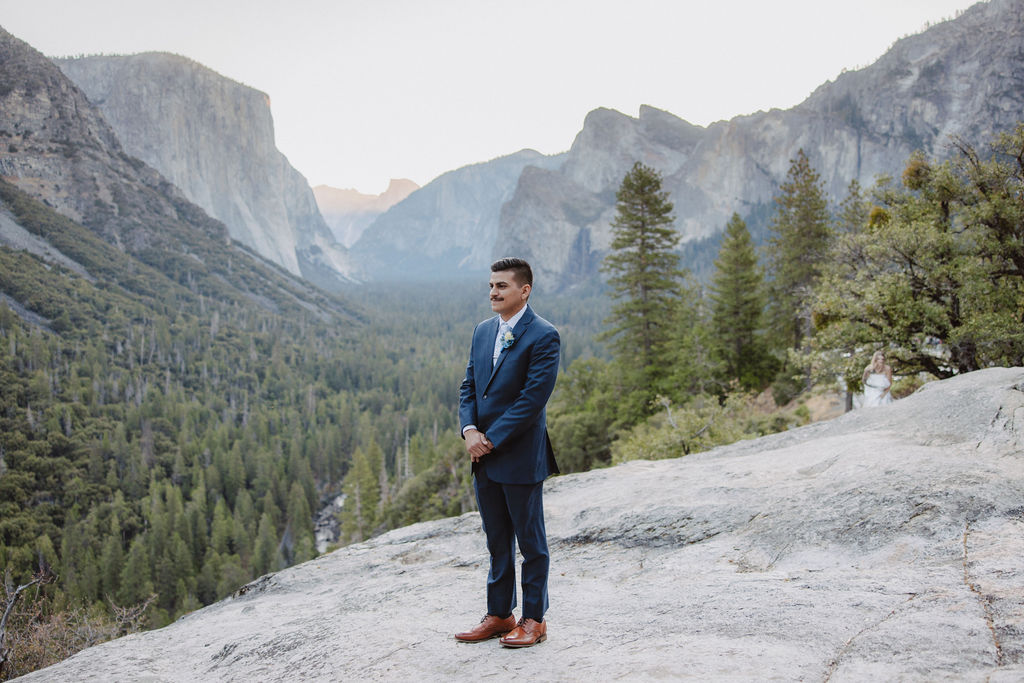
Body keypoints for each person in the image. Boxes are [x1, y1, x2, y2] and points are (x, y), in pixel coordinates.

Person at [454, 257, 560, 648]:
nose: (493, 292)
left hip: (518, 456)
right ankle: (500, 614)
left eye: (501, 286)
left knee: (531, 544)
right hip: (482, 457)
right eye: (491, 286)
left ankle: (534, 619)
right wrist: (469, 431)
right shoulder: (483, 331)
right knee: (497, 541)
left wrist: (490, 438)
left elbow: (532, 399)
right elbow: (469, 385)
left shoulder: (544, 335)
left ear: (524, 290)